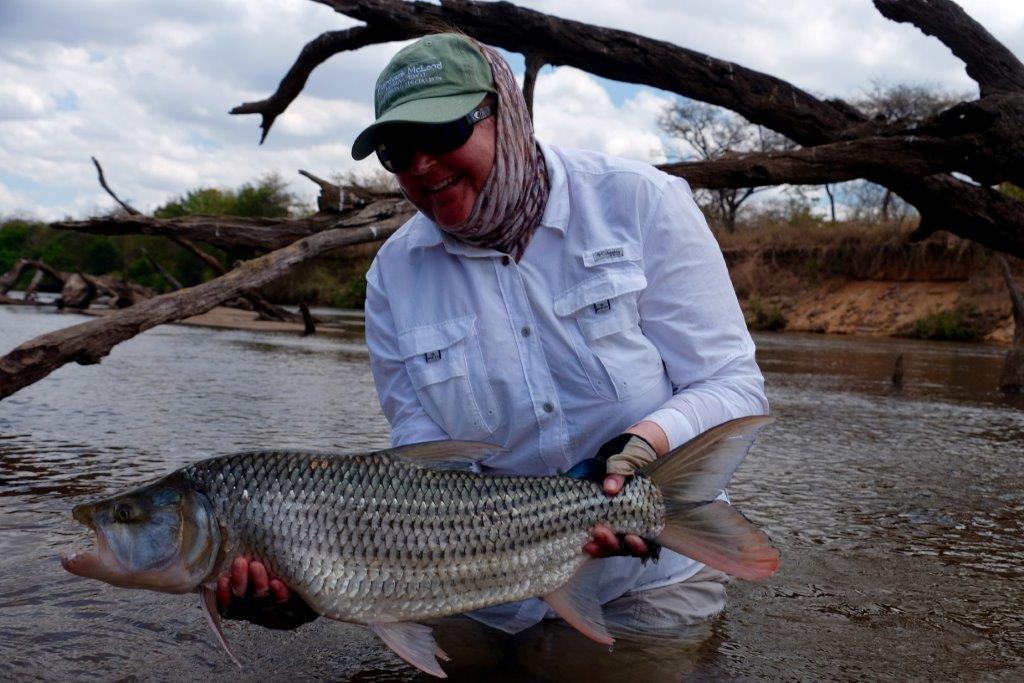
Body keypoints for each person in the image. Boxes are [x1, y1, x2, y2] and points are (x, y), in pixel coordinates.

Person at [219, 32, 768, 671]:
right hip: (468, 586)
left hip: (643, 585)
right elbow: (423, 455)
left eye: (444, 131)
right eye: (398, 150)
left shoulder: (641, 203)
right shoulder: (392, 276)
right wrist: (314, 579)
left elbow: (732, 385)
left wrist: (645, 447)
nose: (421, 164)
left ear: (507, 115)